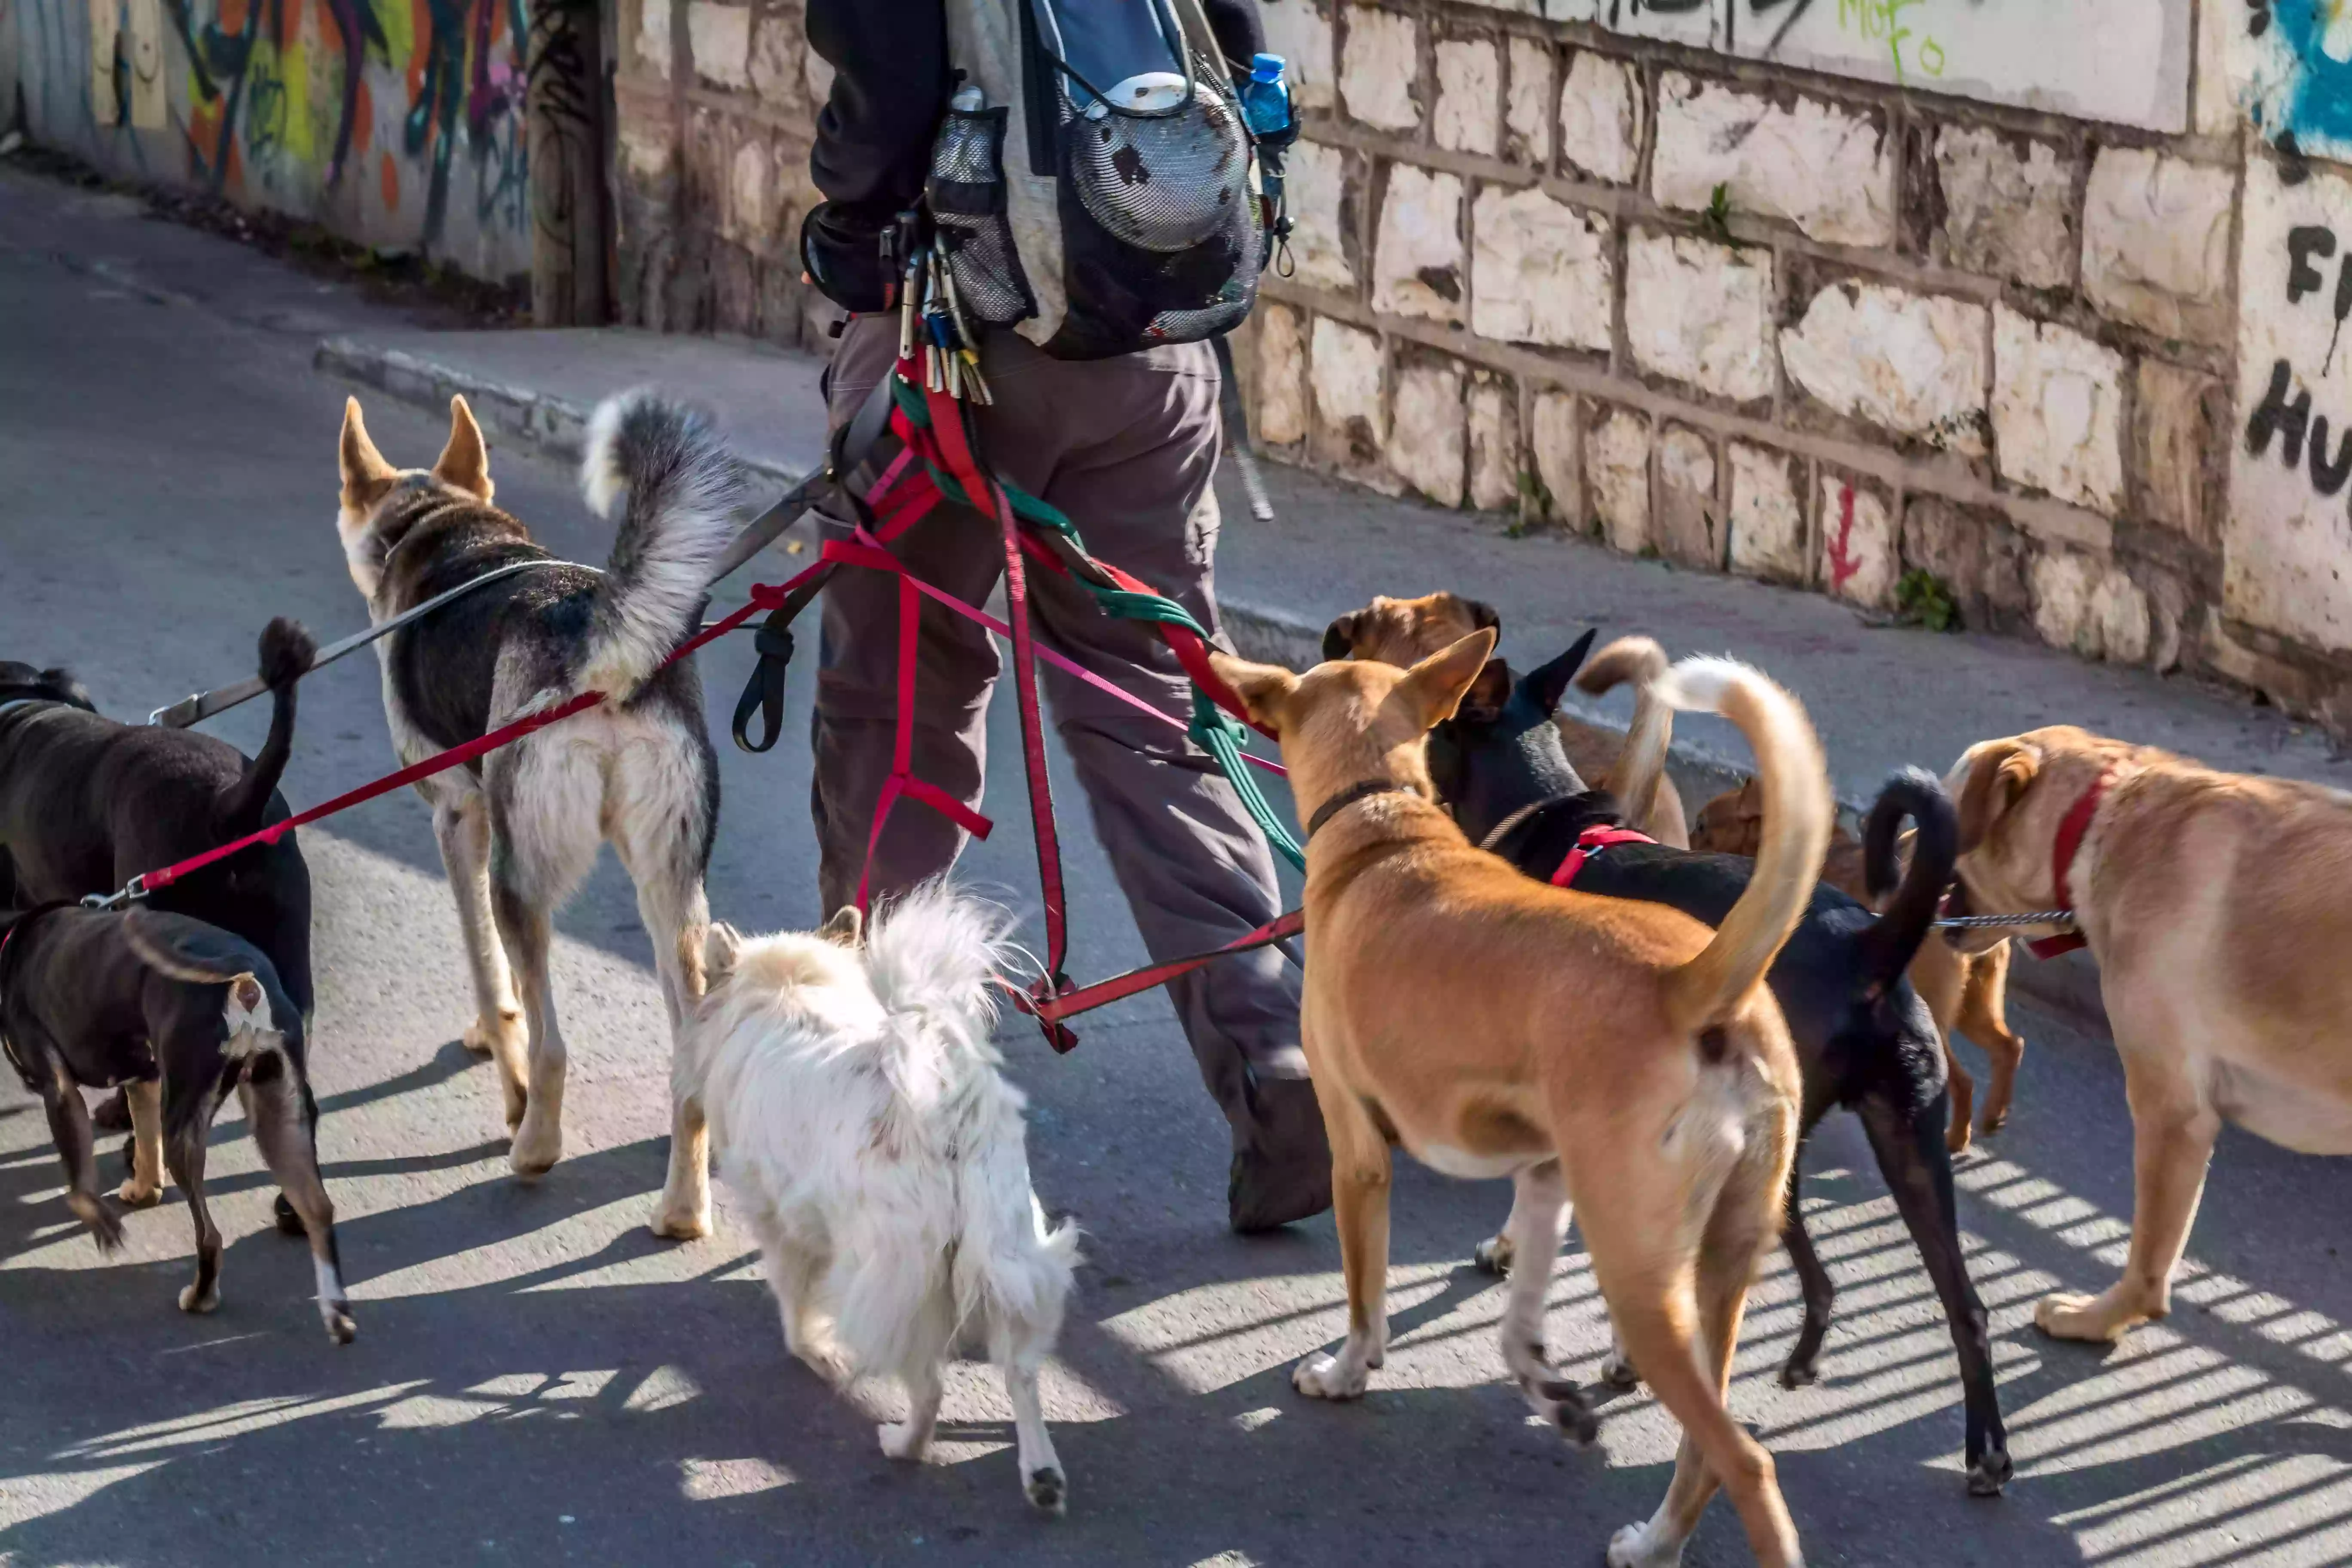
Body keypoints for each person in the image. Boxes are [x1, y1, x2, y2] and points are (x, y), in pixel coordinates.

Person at [797, 0, 1330, 1232]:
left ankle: (888, 1097)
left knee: (897, 702)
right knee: (1158, 716)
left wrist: (843, 217)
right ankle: (1272, 1058)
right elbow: (1237, 44)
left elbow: (877, 101)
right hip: (1154, 331)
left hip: (959, 342)